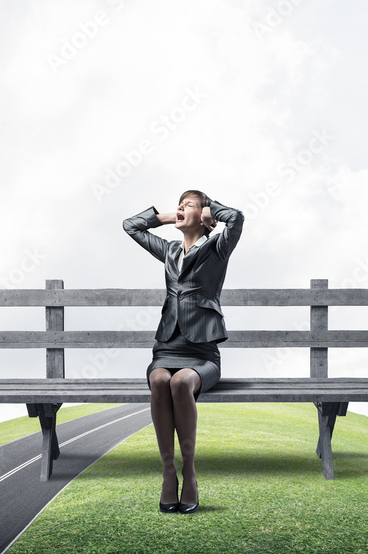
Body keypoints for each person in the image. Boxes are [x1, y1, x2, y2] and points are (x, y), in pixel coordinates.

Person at [122, 191, 244, 514]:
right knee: (161, 380)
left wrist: (209, 212)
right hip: (166, 348)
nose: (180, 208)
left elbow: (237, 218)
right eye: (180, 203)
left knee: (180, 383)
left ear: (203, 215)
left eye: (187, 204)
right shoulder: (169, 250)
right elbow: (130, 226)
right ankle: (167, 473)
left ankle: (189, 472)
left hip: (202, 355)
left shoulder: (217, 247)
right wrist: (166, 217)